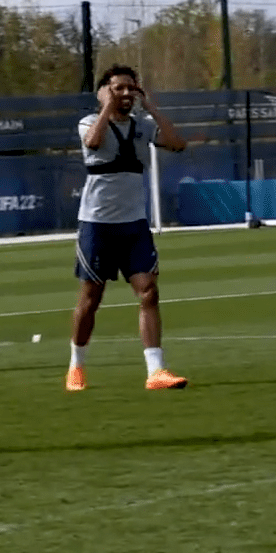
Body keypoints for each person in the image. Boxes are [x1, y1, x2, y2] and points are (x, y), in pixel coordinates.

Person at [66, 65, 190, 392]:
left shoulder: (144, 126)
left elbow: (177, 143)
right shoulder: (89, 123)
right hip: (97, 225)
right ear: (104, 92)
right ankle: (76, 365)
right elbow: (93, 143)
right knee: (91, 298)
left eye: (131, 89)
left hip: (133, 225)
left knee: (149, 290)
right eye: (118, 88)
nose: (126, 94)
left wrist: (150, 107)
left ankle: (156, 371)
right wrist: (106, 106)